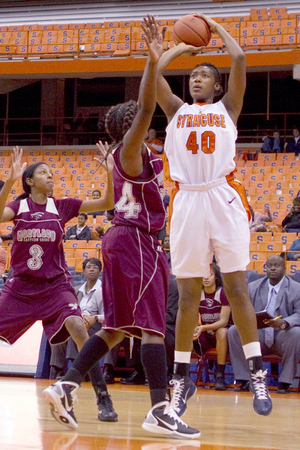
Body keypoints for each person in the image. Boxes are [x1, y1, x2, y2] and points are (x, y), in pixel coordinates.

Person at [43, 16, 199, 439]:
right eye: (141, 121)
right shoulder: (131, 149)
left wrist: (167, 55)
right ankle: (160, 408)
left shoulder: (118, 155)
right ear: (132, 126)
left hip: (121, 239)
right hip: (136, 242)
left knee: (115, 328)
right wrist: (154, 61)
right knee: (149, 327)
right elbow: (147, 105)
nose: (148, 124)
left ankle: (65, 383)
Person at [156, 12, 272, 419]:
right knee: (188, 295)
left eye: (204, 74)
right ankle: (181, 379)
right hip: (187, 200)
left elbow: (239, 59)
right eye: (193, 76)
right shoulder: (175, 110)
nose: (196, 79)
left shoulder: (228, 107)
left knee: (237, 286)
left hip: (222, 197)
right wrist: (172, 52)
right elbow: (156, 78)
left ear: (218, 85)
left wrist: (213, 32)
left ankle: (257, 371)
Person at [0, 144, 115, 424]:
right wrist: (10, 181)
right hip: (21, 287)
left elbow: (107, 203)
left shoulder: (62, 206)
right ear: (30, 181)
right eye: (44, 172)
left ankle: (102, 396)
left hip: (55, 285)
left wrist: (111, 172)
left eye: (52, 173)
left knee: (78, 326)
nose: (51, 176)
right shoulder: (19, 207)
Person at [49, 257, 117, 421]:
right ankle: (59, 371)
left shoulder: (104, 289)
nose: (92, 269)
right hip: (81, 322)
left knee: (98, 331)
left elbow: (109, 315)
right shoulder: (77, 290)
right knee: (66, 330)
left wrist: (93, 318)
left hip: (98, 324)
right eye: (88, 267)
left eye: (95, 267)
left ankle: (76, 376)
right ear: (83, 271)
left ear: (100, 271)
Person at [228, 255, 300, 394]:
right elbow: (242, 310)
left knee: (297, 333)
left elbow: (298, 314)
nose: (273, 268)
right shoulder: (253, 287)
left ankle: (285, 382)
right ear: (265, 268)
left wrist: (284, 323)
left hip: (282, 335)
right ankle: (244, 379)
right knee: (234, 331)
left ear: (284, 269)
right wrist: (252, 321)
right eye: (269, 265)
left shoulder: (296, 288)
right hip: (258, 334)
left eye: (277, 265)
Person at [193, 262, 231, 391]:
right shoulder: (197, 293)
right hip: (204, 332)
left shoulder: (223, 293)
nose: (206, 278)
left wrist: (204, 328)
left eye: (209, 275)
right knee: (186, 332)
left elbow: (224, 321)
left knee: (221, 332)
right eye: (203, 275)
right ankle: (181, 374)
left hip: (221, 334)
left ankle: (220, 375)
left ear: (216, 276)